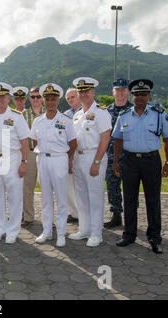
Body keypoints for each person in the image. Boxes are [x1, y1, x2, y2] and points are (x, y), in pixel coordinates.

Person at [113, 79, 168, 254]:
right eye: (136, 94)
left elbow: (167, 138)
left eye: (143, 94)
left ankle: (155, 238)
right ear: (132, 96)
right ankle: (129, 234)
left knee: (153, 200)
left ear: (148, 96)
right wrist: (116, 162)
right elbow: (118, 139)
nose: (140, 97)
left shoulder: (158, 114)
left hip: (151, 161)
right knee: (129, 199)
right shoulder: (124, 115)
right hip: (130, 161)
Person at [0, 82, 31, 244]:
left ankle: (13, 230)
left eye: (3, 96)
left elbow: (24, 141)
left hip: (13, 159)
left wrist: (24, 162)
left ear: (8, 97)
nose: (0, 99)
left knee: (15, 196)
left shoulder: (16, 116)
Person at [31, 84, 77, 247]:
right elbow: (35, 141)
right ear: (43, 101)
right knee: (45, 198)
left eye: (53, 99)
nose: (50, 102)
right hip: (43, 159)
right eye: (47, 99)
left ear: (58, 101)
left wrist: (67, 158)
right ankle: (47, 231)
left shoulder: (65, 120)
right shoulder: (38, 121)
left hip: (59, 159)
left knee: (61, 198)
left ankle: (62, 233)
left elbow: (73, 143)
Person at [68, 77, 111, 247]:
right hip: (79, 158)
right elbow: (74, 140)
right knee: (81, 197)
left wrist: (97, 162)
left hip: (94, 156)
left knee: (95, 196)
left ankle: (96, 233)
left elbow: (105, 138)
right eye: (81, 91)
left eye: (86, 91)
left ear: (93, 92)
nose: (83, 94)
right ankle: (84, 229)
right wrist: (71, 159)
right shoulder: (78, 115)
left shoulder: (101, 112)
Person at [104, 78, 134, 229]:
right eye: (117, 89)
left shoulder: (134, 110)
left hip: (130, 156)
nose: (120, 92)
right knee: (112, 187)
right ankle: (116, 215)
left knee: (130, 188)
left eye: (123, 89)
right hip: (111, 156)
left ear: (127, 91)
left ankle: (131, 217)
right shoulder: (107, 111)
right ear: (113, 92)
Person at [21, 86, 44, 226]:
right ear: (29, 98)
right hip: (30, 152)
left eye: (38, 96)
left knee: (48, 188)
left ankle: (49, 219)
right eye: (33, 97)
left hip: (46, 153)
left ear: (42, 98)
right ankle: (28, 217)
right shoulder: (23, 116)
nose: (35, 99)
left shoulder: (50, 112)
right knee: (27, 187)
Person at [64, 88, 82, 223]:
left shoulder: (86, 111)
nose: (71, 100)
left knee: (82, 185)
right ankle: (74, 212)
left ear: (79, 96)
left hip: (84, 152)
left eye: (73, 97)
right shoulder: (65, 115)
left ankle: (84, 212)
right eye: (68, 98)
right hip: (70, 153)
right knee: (69, 185)